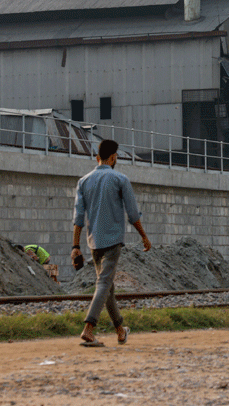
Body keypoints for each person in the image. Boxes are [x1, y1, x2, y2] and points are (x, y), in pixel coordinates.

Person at [71, 139, 151, 347]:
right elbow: (133, 213)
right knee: (104, 284)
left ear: (97, 158)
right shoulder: (120, 179)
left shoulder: (83, 181)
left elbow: (78, 218)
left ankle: (120, 330)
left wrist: (75, 247)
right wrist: (143, 235)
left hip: (93, 242)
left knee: (108, 288)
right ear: (114, 157)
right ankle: (89, 329)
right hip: (113, 241)